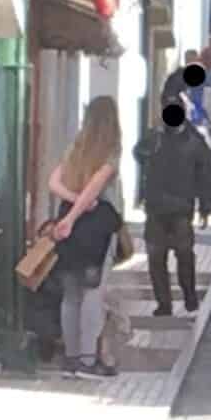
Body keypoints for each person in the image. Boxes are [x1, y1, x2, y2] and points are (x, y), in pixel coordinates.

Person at [48, 96, 124, 379]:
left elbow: (53, 182)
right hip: (95, 227)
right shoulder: (111, 152)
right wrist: (76, 213)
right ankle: (88, 358)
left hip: (69, 222)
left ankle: (70, 356)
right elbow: (95, 188)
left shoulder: (75, 149)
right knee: (93, 291)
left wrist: (68, 210)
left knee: (70, 293)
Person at [133, 103, 211, 316]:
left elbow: (205, 175)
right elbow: (138, 153)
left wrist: (206, 207)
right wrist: (154, 137)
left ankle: (189, 294)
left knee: (184, 253)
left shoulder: (195, 141)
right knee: (155, 256)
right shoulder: (156, 137)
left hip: (181, 207)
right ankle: (164, 303)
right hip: (156, 207)